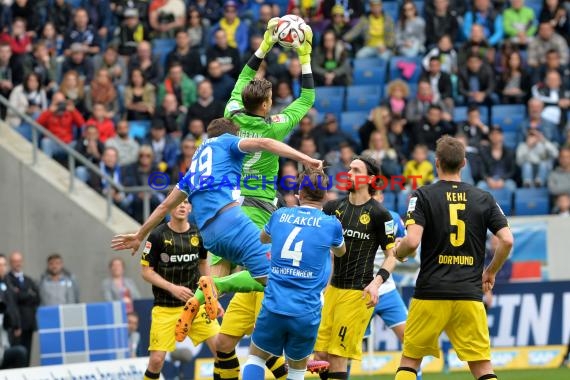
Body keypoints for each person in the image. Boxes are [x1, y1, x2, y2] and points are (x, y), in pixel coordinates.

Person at [110, 117, 322, 336]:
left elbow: (164, 206)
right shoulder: (227, 142)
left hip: (209, 237)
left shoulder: (193, 169)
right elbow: (266, 143)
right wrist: (305, 159)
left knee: (267, 282)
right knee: (282, 275)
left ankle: (201, 296)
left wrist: (139, 234)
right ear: (231, 134)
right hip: (230, 222)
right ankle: (218, 287)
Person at [210, 17, 316, 380]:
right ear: (269, 102)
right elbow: (308, 97)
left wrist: (265, 45)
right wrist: (304, 56)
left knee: (219, 271)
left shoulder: (231, 116)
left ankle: (206, 292)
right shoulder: (277, 125)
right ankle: (287, 353)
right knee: (264, 275)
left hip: (225, 206)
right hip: (256, 210)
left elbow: (241, 79)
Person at [392, 135, 514, 380]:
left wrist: (398, 250)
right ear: (464, 163)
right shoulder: (484, 198)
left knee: (410, 361)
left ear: (437, 163)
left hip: (430, 292)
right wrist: (490, 272)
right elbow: (507, 240)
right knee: (482, 367)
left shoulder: (422, 195)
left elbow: (412, 242)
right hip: (468, 294)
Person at [242, 169, 346, 380]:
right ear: (325, 195)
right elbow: (341, 251)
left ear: (300, 191)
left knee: (256, 357)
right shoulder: (331, 224)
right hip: (306, 310)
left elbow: (263, 239)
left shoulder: (279, 215)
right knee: (298, 370)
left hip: (274, 303)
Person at [314, 155, 397, 380]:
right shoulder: (332, 207)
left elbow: (392, 256)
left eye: (356, 170)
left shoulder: (380, 214)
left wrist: (376, 283)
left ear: (370, 179)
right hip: (332, 291)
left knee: (338, 356)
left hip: (357, 293)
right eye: (349, 169)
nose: (349, 174)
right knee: (320, 353)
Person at [138, 196, 219, 380]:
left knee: (222, 349)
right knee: (157, 361)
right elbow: (146, 272)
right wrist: (172, 288)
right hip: (165, 308)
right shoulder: (157, 236)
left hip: (195, 306)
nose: (181, 206)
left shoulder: (199, 234)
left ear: (190, 208)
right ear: (169, 208)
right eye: (177, 203)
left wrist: (210, 296)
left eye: (185, 203)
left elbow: (204, 264)